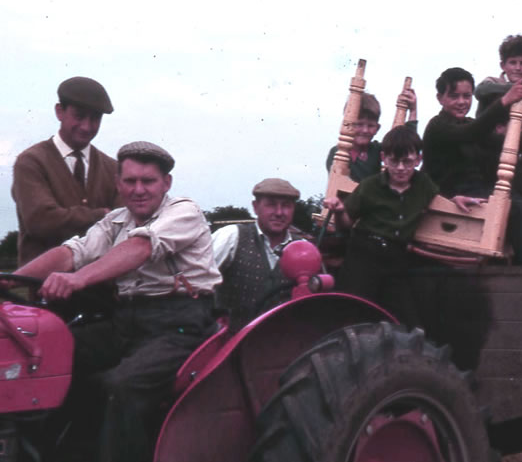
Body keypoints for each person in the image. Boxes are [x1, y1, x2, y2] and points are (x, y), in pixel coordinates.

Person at [13, 141, 222, 462]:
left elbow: (140, 249)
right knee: (49, 356)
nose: (138, 190)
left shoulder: (183, 211)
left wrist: (79, 279)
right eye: (130, 181)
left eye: (148, 181)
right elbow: (72, 252)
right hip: (126, 321)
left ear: (165, 183)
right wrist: (9, 282)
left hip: (180, 325)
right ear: (118, 183)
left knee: (119, 386)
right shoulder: (116, 221)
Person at [422, 67, 522, 266]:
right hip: (453, 198)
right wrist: (504, 101)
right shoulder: (437, 127)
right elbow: (469, 133)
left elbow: (512, 145)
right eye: (454, 96)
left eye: (466, 96)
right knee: (517, 209)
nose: (462, 102)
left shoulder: (469, 124)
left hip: (479, 193)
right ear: (440, 98)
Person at [323, 125, 477, 324]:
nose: (401, 168)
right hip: (364, 254)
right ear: (384, 158)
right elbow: (346, 224)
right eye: (394, 161)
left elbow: (440, 199)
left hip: (396, 258)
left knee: (406, 321)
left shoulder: (424, 185)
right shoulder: (369, 186)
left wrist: (455, 200)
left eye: (407, 161)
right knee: (352, 312)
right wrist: (339, 211)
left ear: (418, 160)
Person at [11, 76, 121, 265]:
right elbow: (40, 221)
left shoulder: (113, 168)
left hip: (103, 288)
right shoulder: (30, 162)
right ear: (59, 112)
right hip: (44, 286)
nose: (86, 126)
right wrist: (102, 216)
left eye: (95, 118)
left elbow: (124, 224)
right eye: (79, 116)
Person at [212, 177, 308, 329]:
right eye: (271, 205)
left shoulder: (304, 249)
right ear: (255, 207)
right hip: (230, 342)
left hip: (283, 344)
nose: (279, 212)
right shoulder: (231, 237)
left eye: (286, 206)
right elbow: (199, 281)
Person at [325, 87, 418, 182]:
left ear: (377, 128)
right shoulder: (337, 153)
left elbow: (405, 145)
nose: (365, 130)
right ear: (348, 125)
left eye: (370, 126)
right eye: (359, 124)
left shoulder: (377, 150)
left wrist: (413, 112)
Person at [474, 33, 522, 118]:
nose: (518, 68)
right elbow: (479, 90)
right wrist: (512, 89)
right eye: (513, 62)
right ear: (503, 66)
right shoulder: (492, 82)